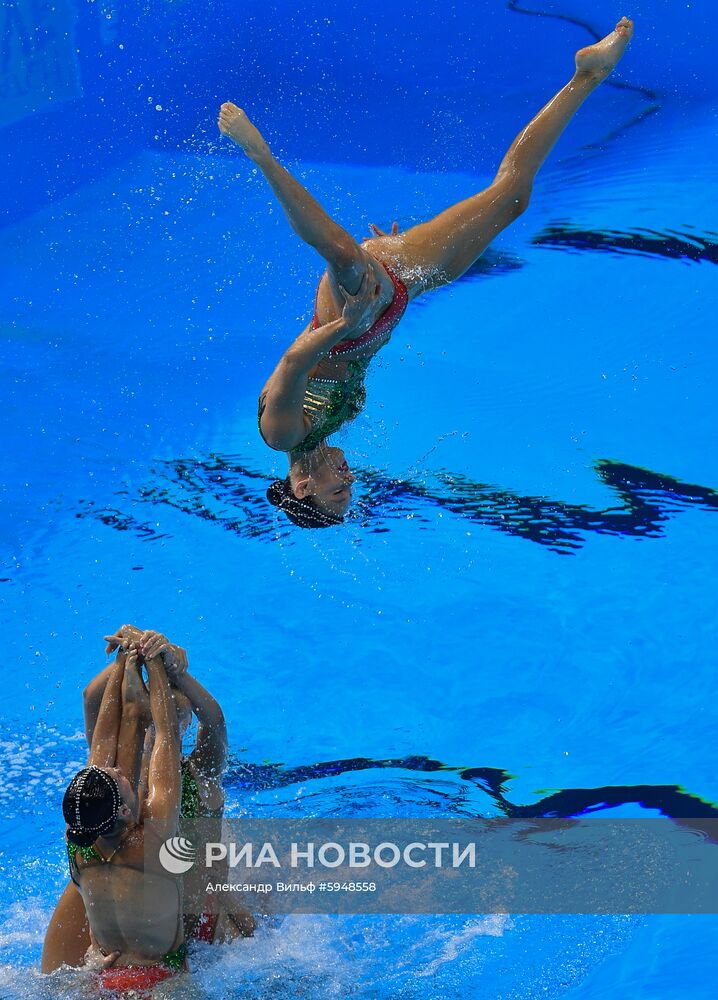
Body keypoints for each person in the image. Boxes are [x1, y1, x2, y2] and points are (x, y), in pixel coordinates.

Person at [218, 18, 634, 527]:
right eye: (348, 491)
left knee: (342, 251)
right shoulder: (328, 431)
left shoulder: (281, 435)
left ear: (301, 485)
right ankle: (586, 76)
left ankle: (259, 153)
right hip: (393, 299)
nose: (349, 482)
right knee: (511, 199)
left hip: (349, 315)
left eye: (336, 493)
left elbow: (293, 361)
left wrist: (346, 325)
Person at [41, 627, 252, 986]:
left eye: (171, 708)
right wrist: (142, 653)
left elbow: (214, 723)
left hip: (182, 916)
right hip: (143, 926)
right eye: (152, 709)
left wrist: (168, 668)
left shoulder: (196, 773)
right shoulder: (115, 781)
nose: (157, 718)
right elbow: (94, 698)